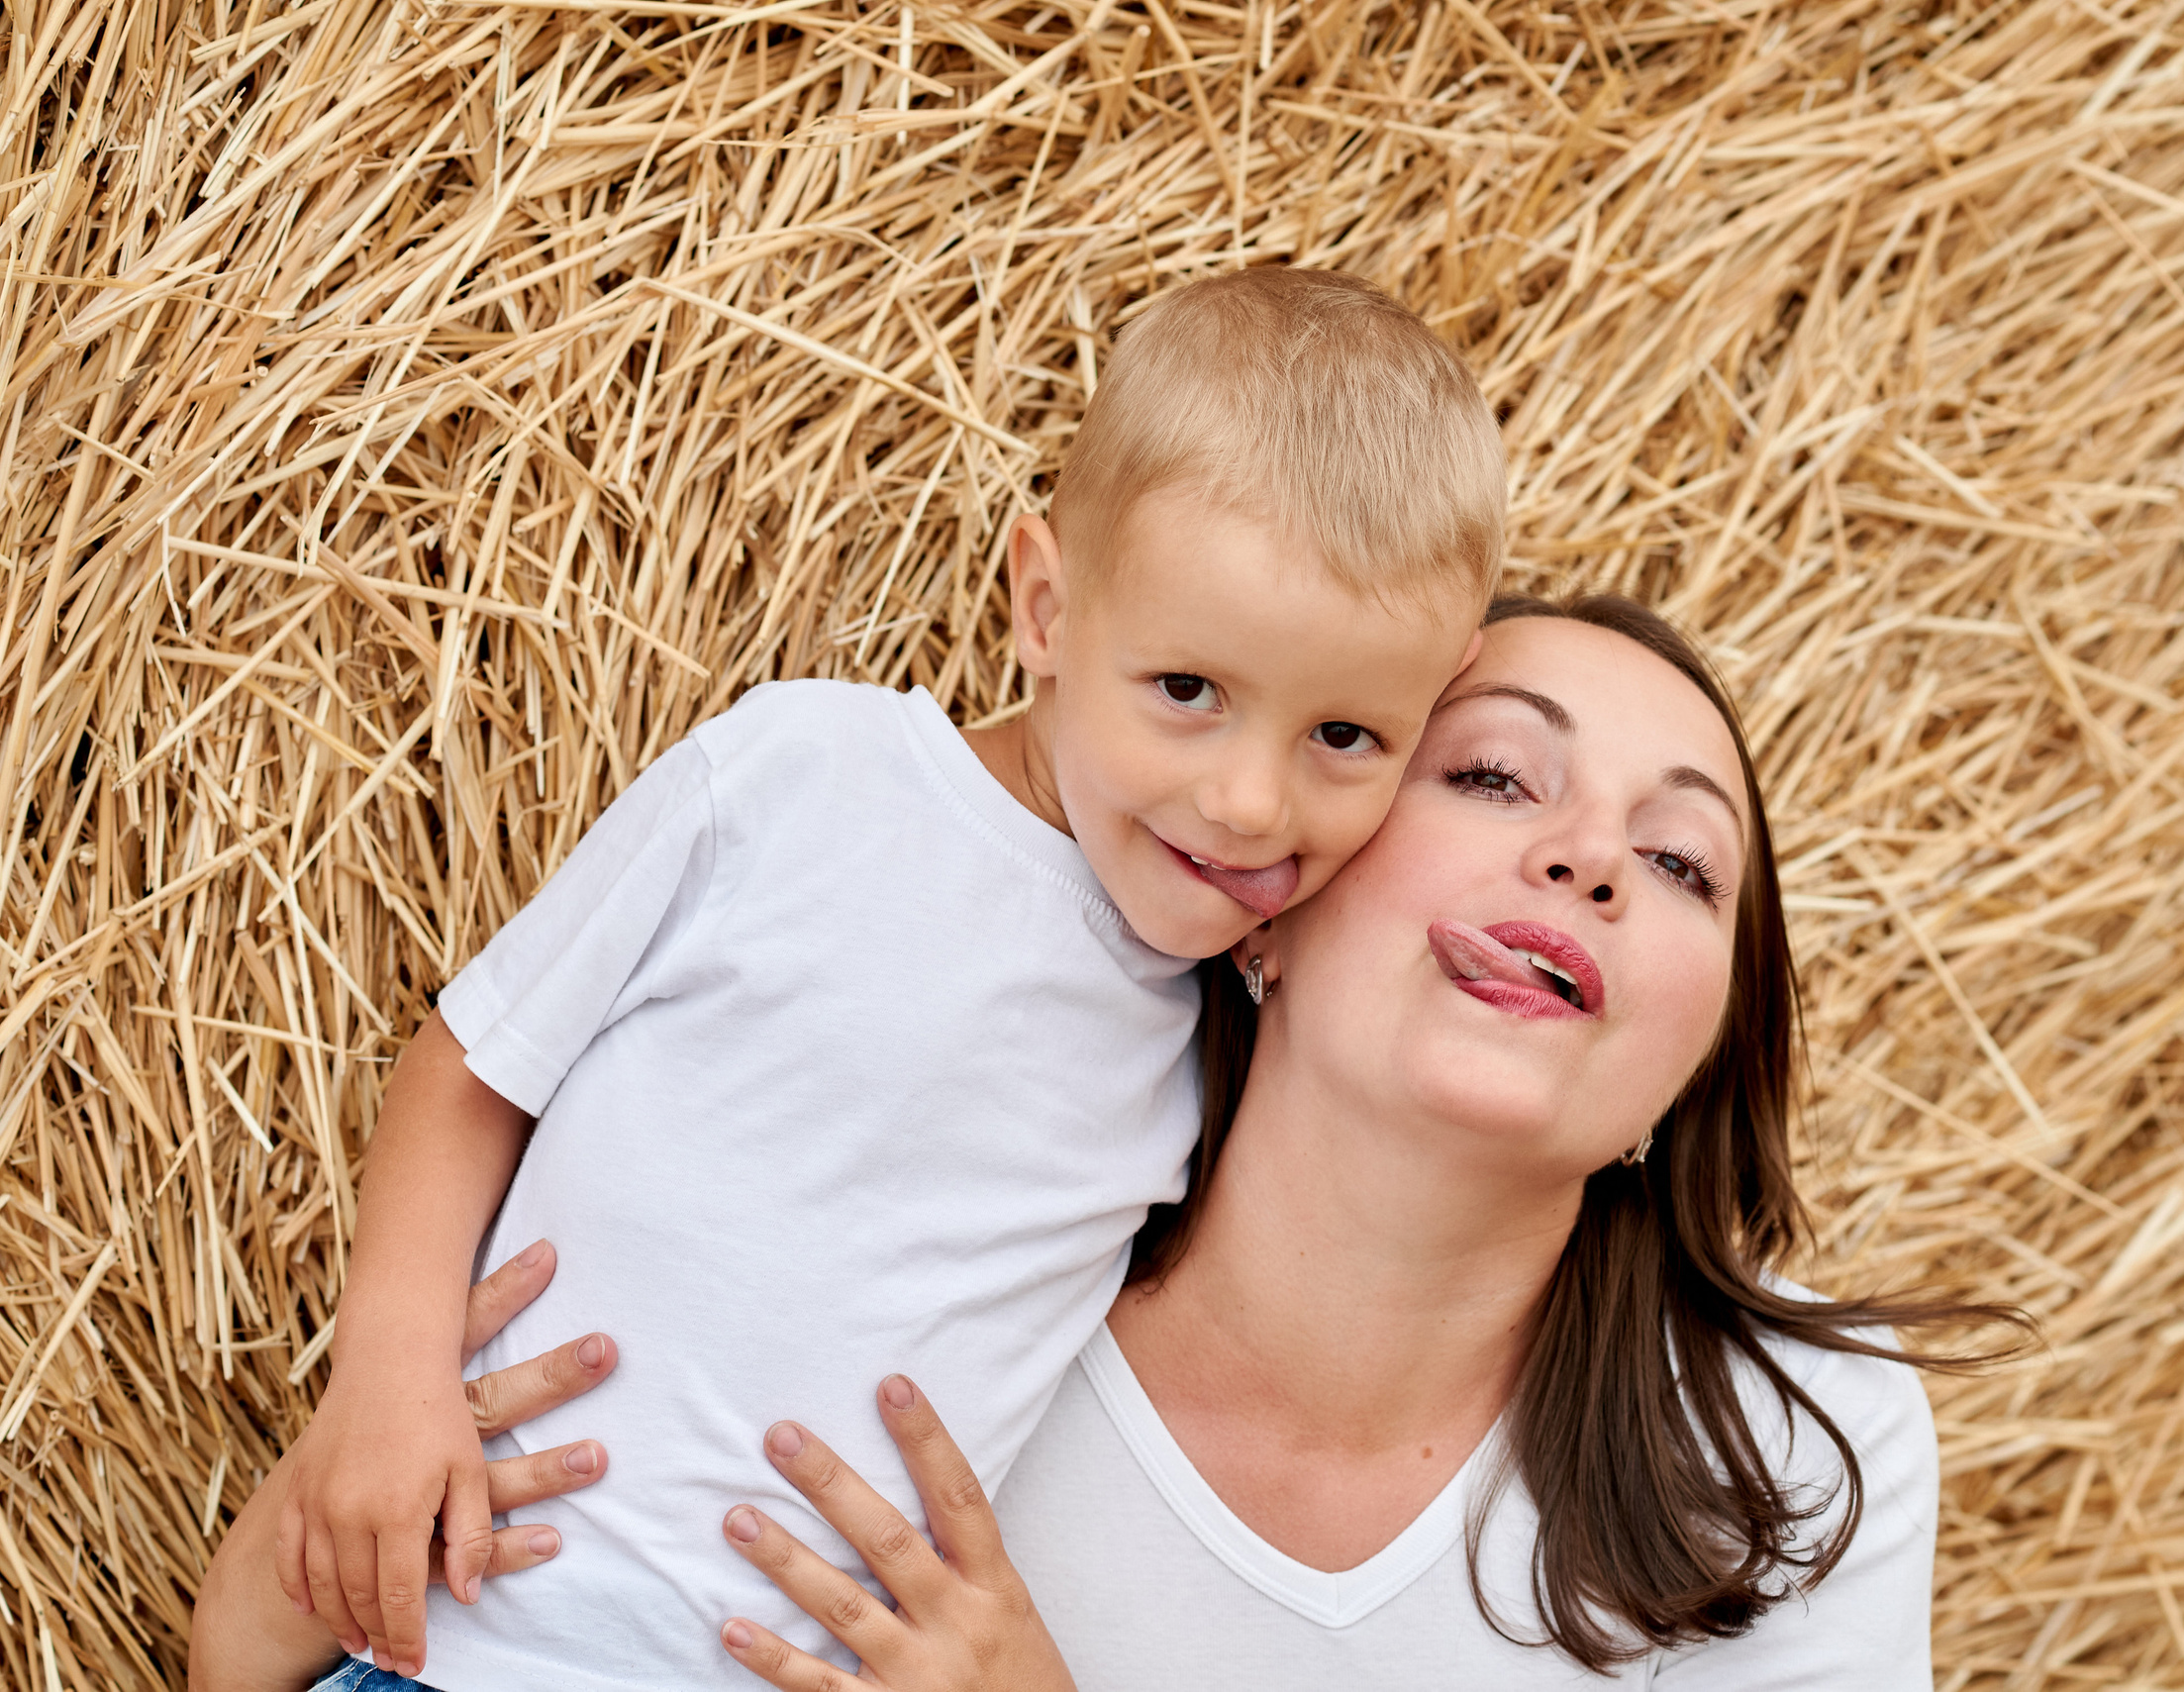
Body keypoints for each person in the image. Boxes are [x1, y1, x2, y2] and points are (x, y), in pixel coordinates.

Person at [199, 593, 2013, 1690]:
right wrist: (375, 1468)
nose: (1590, 858)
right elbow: (288, 1634)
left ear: (1689, 1070)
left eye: (1681, 864)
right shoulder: (939, 1335)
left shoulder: (1787, 1455)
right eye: (1484, 774)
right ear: (1273, 900)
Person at [235, 266, 1505, 1692]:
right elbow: (472, 1066)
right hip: (465, 1642)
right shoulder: (798, 777)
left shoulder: (1222, 1032)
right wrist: (391, 1374)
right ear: (1046, 603)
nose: (1252, 803)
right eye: (1188, 692)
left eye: (1345, 734)